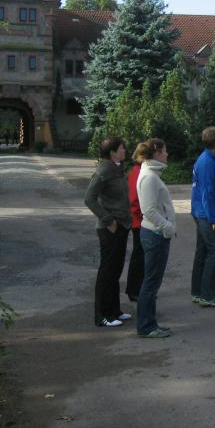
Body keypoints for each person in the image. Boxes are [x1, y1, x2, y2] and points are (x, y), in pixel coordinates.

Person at [84, 136, 133, 327]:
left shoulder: (117, 168)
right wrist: (108, 220)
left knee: (116, 270)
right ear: (112, 152)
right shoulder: (103, 170)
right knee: (107, 271)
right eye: (121, 148)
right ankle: (102, 315)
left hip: (122, 226)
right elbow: (89, 199)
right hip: (110, 228)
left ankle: (114, 310)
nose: (124, 151)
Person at [136, 138, 175, 338]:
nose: (167, 154)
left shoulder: (151, 173)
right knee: (150, 283)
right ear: (157, 153)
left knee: (152, 283)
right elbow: (149, 210)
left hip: (156, 233)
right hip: (155, 234)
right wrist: (167, 227)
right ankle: (146, 326)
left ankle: (150, 324)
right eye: (164, 151)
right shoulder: (149, 177)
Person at [190, 126, 215, 307]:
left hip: (201, 213)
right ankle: (207, 295)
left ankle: (199, 292)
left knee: (203, 252)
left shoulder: (208, 160)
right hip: (206, 215)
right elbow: (207, 193)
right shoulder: (207, 162)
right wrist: (214, 220)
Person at [125, 143, 147, 302]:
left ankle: (137, 289)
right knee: (139, 257)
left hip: (140, 221)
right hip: (139, 222)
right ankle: (134, 290)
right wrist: (144, 217)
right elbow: (134, 201)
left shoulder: (137, 171)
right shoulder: (137, 173)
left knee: (141, 256)